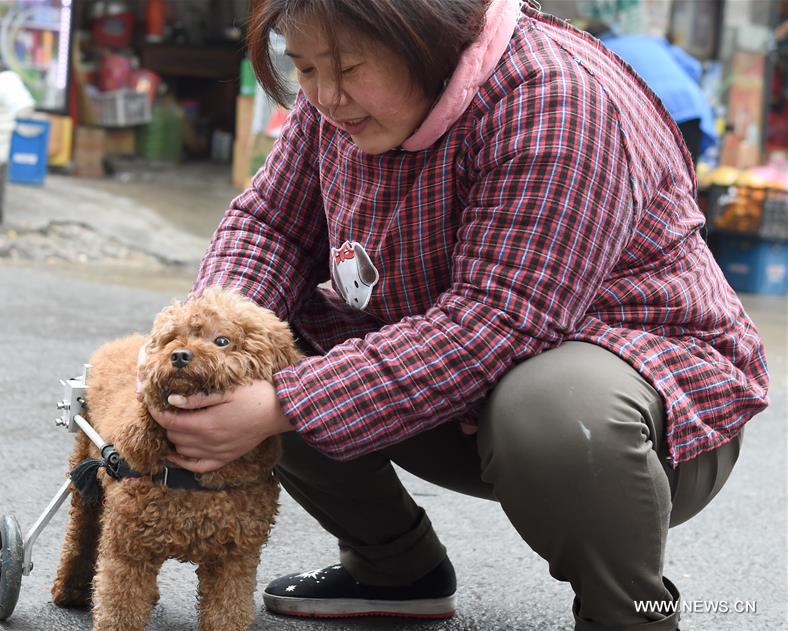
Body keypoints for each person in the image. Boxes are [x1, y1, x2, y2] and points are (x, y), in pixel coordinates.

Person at [146, 1, 769, 629]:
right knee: (256, 344)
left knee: (553, 406)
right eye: (305, 69)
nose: (327, 97)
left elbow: (497, 321)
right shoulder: (338, 102)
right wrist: (213, 342)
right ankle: (394, 569)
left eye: (348, 68)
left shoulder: (557, 102)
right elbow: (271, 225)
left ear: (425, 38)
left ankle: (630, 613)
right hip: (463, 374)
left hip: (636, 404)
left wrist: (282, 405)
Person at [586, 22, 718, 165]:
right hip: (692, 107)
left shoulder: (598, 52)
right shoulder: (648, 41)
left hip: (655, 116)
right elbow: (694, 67)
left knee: (653, 180)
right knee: (687, 180)